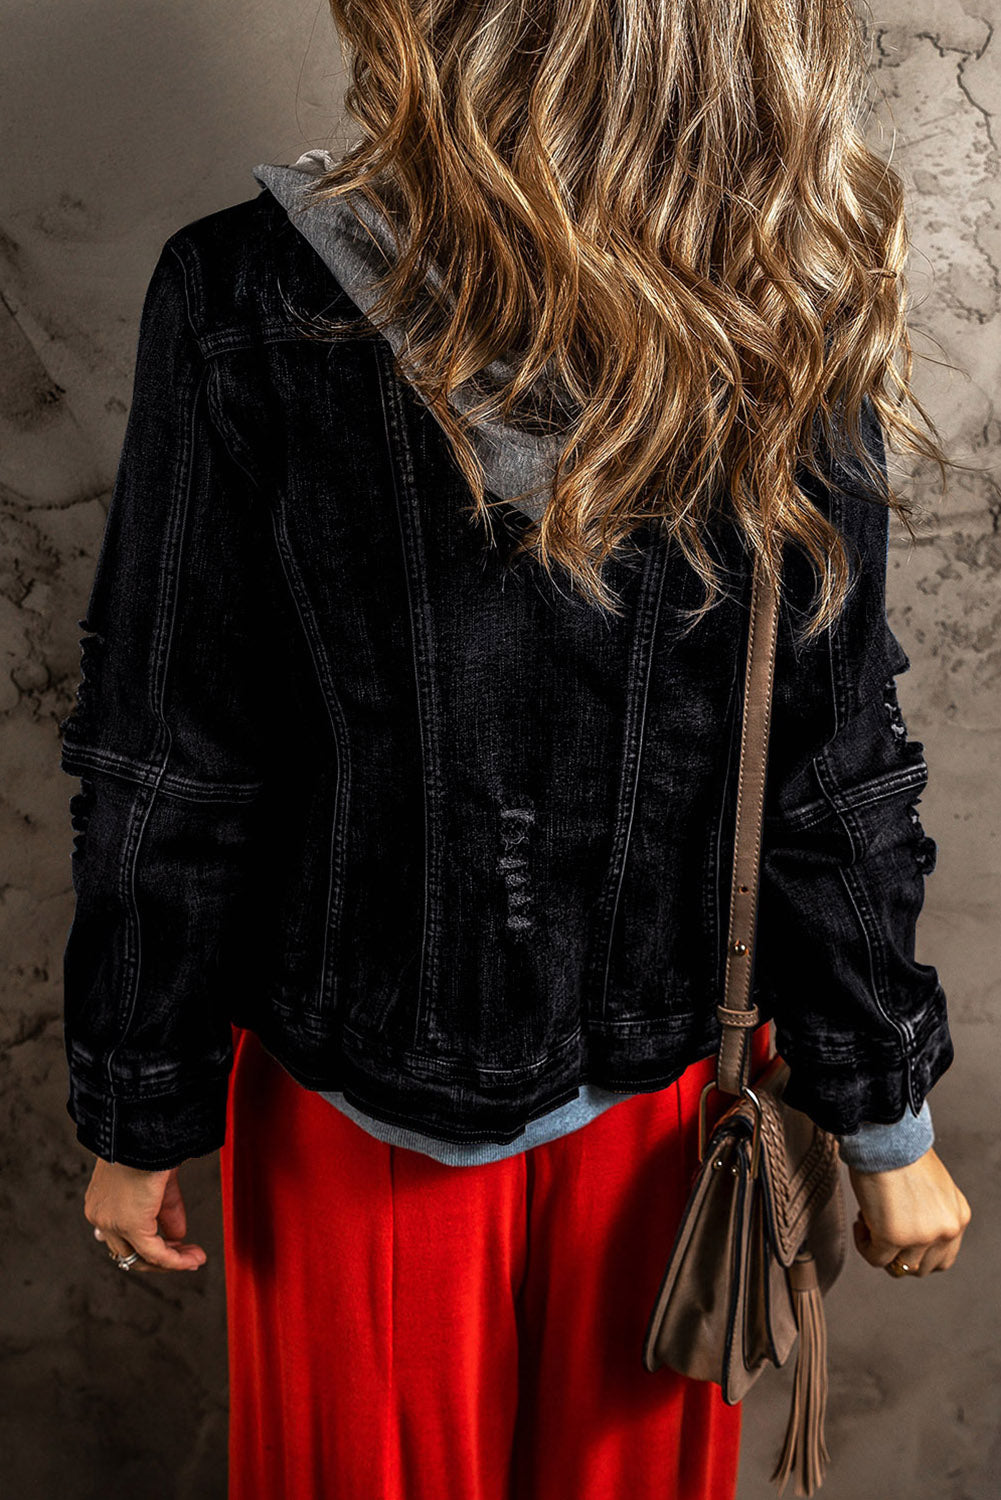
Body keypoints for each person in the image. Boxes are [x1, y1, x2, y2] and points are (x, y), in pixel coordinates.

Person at [61, 2, 972, 1497]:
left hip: (359, 1100)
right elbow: (834, 762)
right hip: (662, 1098)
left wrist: (137, 1107)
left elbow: (172, 755)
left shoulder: (244, 288)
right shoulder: (786, 302)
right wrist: (883, 1117)